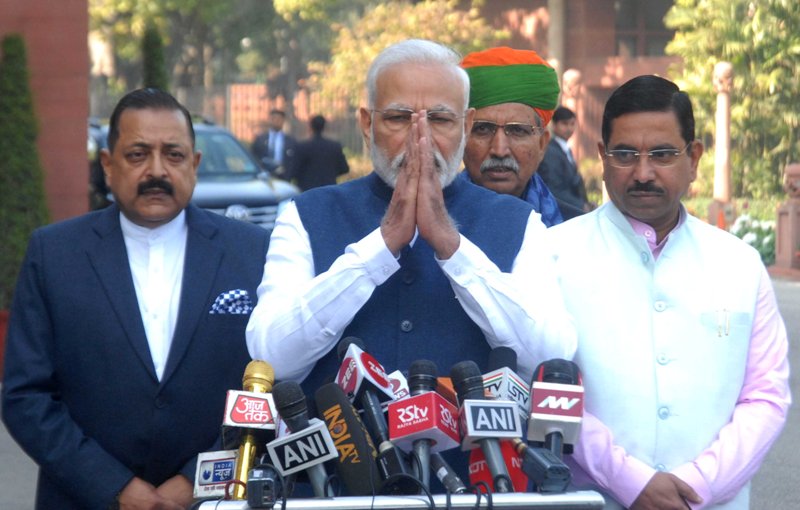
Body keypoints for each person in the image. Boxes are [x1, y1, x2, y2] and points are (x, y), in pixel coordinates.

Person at [246, 38, 575, 398]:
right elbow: (272, 359)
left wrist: (453, 248)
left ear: (466, 127)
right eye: (399, 119)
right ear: (367, 124)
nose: (421, 139)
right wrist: (379, 247)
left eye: (440, 120)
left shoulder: (520, 222)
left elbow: (550, 358)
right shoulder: (307, 215)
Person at [1, 88, 270, 510]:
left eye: (174, 155)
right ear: (108, 165)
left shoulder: (253, 252)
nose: (156, 171)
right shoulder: (54, 255)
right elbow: (25, 396)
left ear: (195, 164)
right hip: (84, 499)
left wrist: (197, 481)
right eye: (138, 154)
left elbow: (276, 387)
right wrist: (114, 488)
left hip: (217, 500)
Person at [546, 75, 791, 509]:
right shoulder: (552, 256)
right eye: (625, 155)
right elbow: (542, 389)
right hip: (593, 499)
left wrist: (698, 485)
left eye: (662, 154)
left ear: (693, 158)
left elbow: (765, 395)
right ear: (602, 157)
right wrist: (630, 481)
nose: (643, 173)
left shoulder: (739, 263)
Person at [460, 46, 572, 227]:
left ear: (542, 144)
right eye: (483, 129)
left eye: (518, 131)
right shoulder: (425, 226)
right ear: (461, 139)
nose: (499, 150)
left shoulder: (575, 231)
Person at [538, 106, 592, 217]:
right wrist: (581, 205)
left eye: (572, 124)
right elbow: (554, 189)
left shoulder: (565, 149)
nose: (569, 128)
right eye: (564, 124)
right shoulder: (550, 152)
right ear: (554, 125)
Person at [289, 114, 349, 191]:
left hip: (308, 190)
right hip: (329, 189)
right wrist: (331, 173)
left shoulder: (302, 147)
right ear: (324, 127)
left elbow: (294, 172)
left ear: (310, 126)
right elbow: (344, 168)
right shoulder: (334, 146)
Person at [251, 109, 296, 177]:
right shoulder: (261, 139)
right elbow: (254, 155)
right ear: (270, 120)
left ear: (283, 120)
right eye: (274, 118)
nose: (276, 121)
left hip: (283, 174)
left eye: (279, 119)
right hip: (264, 173)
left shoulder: (290, 141)